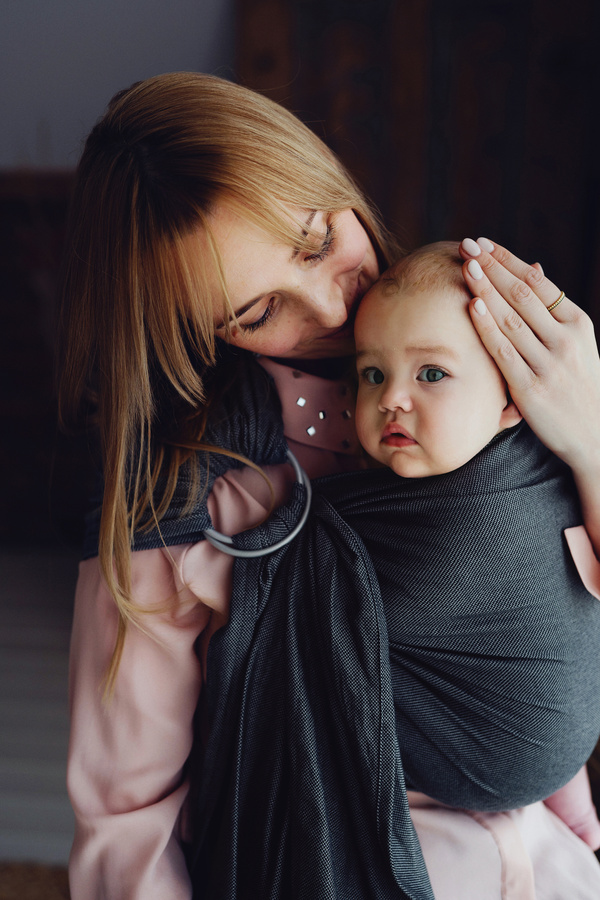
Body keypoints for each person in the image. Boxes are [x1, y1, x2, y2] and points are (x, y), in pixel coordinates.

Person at [58, 73, 600, 899]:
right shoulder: (184, 501)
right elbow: (126, 820)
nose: (328, 305)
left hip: (552, 861)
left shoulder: (481, 357)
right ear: (193, 335)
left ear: (330, 177)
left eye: (315, 243)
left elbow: (550, 618)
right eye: (255, 311)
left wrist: (590, 440)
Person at [353, 240, 600, 845]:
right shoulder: (525, 454)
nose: (390, 398)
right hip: (554, 729)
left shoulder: (468, 525)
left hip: (491, 765)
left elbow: (307, 557)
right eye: (371, 373)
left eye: (431, 373)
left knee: (325, 661)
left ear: (515, 397)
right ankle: (570, 806)